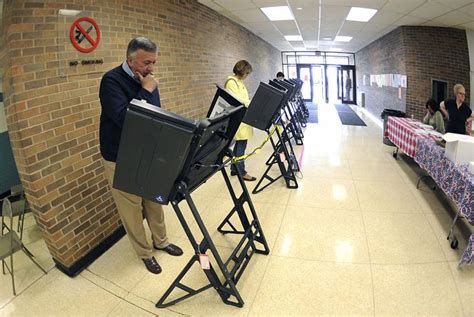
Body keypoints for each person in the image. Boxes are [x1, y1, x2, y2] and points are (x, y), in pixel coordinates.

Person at [99, 37, 183, 274]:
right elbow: (126, 119)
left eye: (153, 62)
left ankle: (162, 241)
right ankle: (145, 253)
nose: (151, 69)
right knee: (132, 207)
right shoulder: (111, 81)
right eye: (146, 63)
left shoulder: (147, 80)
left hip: (148, 152)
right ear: (130, 59)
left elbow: (153, 115)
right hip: (120, 156)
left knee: (154, 201)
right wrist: (146, 90)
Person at [225, 60, 256, 181]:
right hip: (238, 119)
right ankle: (241, 171)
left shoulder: (239, 82)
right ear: (243, 71)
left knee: (240, 144)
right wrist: (251, 103)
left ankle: (234, 169)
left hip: (243, 118)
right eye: (247, 73)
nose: (247, 76)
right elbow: (239, 101)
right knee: (240, 146)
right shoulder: (231, 83)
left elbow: (244, 99)